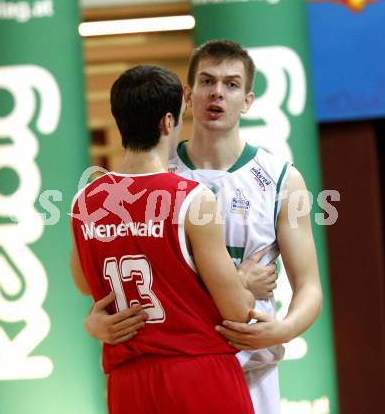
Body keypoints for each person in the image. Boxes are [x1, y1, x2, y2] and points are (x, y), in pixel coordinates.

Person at [85, 40, 323, 414]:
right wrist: (94, 323)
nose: (217, 92)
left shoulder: (280, 178)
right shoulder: (153, 174)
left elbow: (309, 287)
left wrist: (285, 329)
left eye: (231, 84)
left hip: (251, 363)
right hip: (179, 363)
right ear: (188, 95)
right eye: (208, 81)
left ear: (247, 100)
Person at [70, 64, 256, 414]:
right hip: (197, 372)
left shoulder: (85, 201)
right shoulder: (190, 197)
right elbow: (238, 311)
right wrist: (244, 281)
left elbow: (84, 284)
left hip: (129, 381)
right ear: (168, 122)